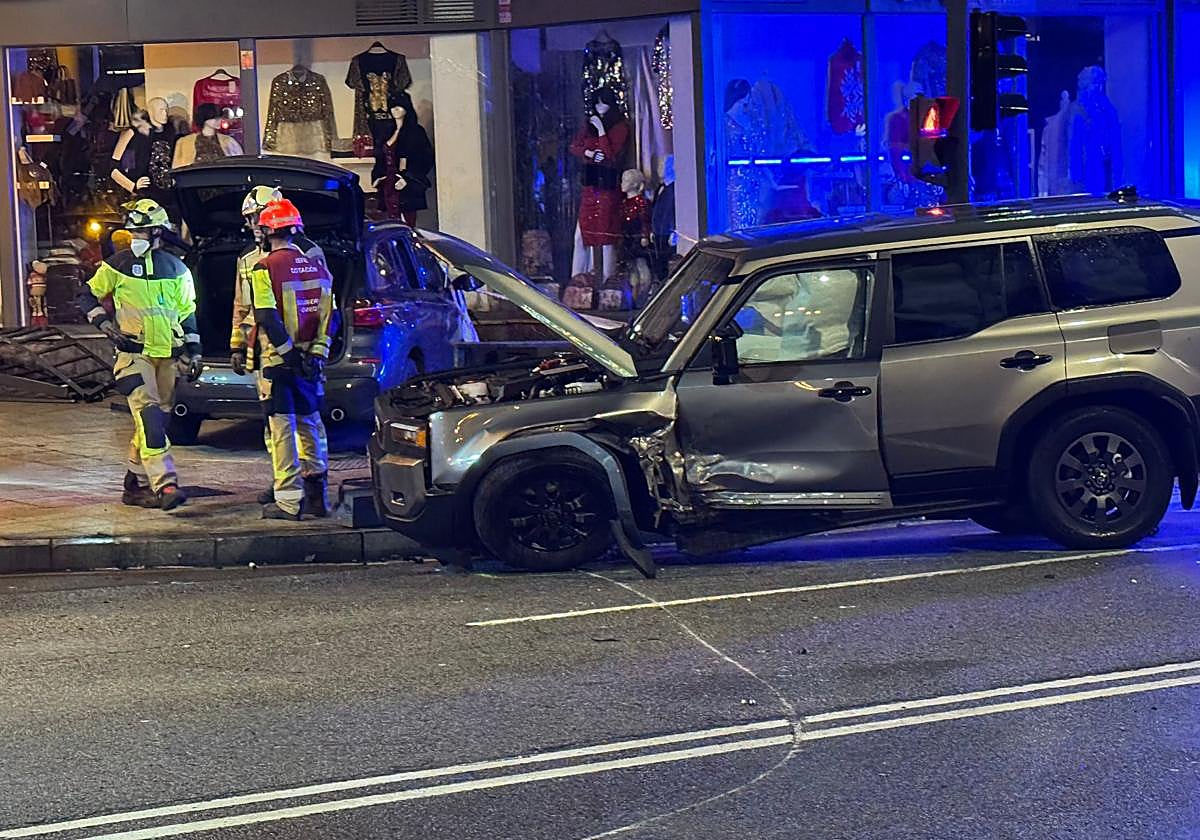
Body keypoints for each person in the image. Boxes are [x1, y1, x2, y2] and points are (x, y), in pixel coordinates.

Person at [77, 199, 201, 510]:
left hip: (167, 357)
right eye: (133, 232)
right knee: (149, 417)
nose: (136, 238)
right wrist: (104, 324)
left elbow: (187, 314)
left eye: (142, 232)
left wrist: (195, 351)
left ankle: (134, 483)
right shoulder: (116, 265)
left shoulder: (178, 269)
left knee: (152, 424)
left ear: (158, 232)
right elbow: (86, 294)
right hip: (133, 355)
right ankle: (166, 485)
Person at [230, 186, 327, 505]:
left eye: (257, 217)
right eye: (250, 220)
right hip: (266, 351)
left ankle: (307, 486)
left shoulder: (309, 253)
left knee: (303, 420)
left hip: (291, 349)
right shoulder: (247, 259)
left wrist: (307, 352)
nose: (253, 225)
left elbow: (317, 304)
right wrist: (237, 344)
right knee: (276, 424)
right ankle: (285, 482)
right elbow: (242, 307)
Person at [248, 198, 335, 520]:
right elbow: (331, 317)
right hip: (312, 362)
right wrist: (315, 355)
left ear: (267, 232)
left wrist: (288, 356)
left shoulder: (263, 267)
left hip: (279, 362)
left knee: (283, 429)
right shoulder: (318, 267)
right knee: (312, 424)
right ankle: (318, 497)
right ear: (296, 229)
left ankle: (288, 502)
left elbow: (267, 317)